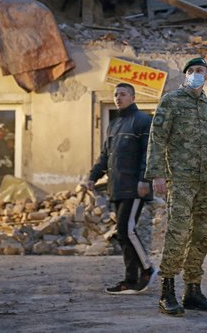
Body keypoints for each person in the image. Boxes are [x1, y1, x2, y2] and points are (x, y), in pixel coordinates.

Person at [146, 57, 207, 317]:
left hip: (206, 182)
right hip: (181, 181)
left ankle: (193, 290)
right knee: (178, 234)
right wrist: (157, 173)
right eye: (191, 71)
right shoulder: (171, 101)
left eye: (200, 71)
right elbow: (157, 138)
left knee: (202, 235)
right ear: (185, 75)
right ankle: (167, 291)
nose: (196, 74)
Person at [87, 83, 156, 295]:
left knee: (127, 230)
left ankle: (147, 269)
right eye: (116, 94)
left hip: (135, 186)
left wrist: (144, 179)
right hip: (116, 186)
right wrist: (93, 176)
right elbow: (105, 156)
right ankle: (130, 280)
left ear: (133, 97)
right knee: (123, 233)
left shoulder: (143, 121)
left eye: (123, 94)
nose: (118, 98)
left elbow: (149, 153)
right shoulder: (113, 125)